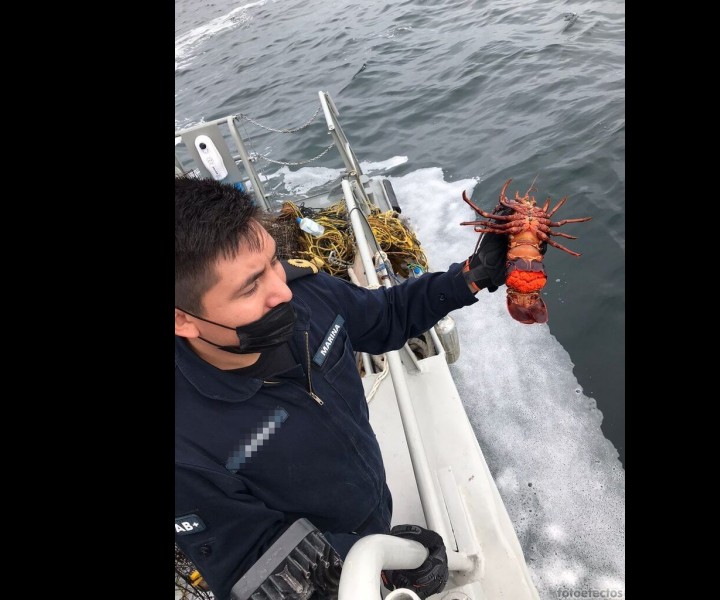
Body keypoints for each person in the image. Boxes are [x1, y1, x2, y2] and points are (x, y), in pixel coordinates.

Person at [175, 175, 508, 599]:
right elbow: (253, 561)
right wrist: (380, 561)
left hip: (372, 501)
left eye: (274, 262)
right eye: (251, 286)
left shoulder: (308, 294)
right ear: (182, 319)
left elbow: (386, 316)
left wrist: (470, 276)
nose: (282, 292)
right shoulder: (184, 448)